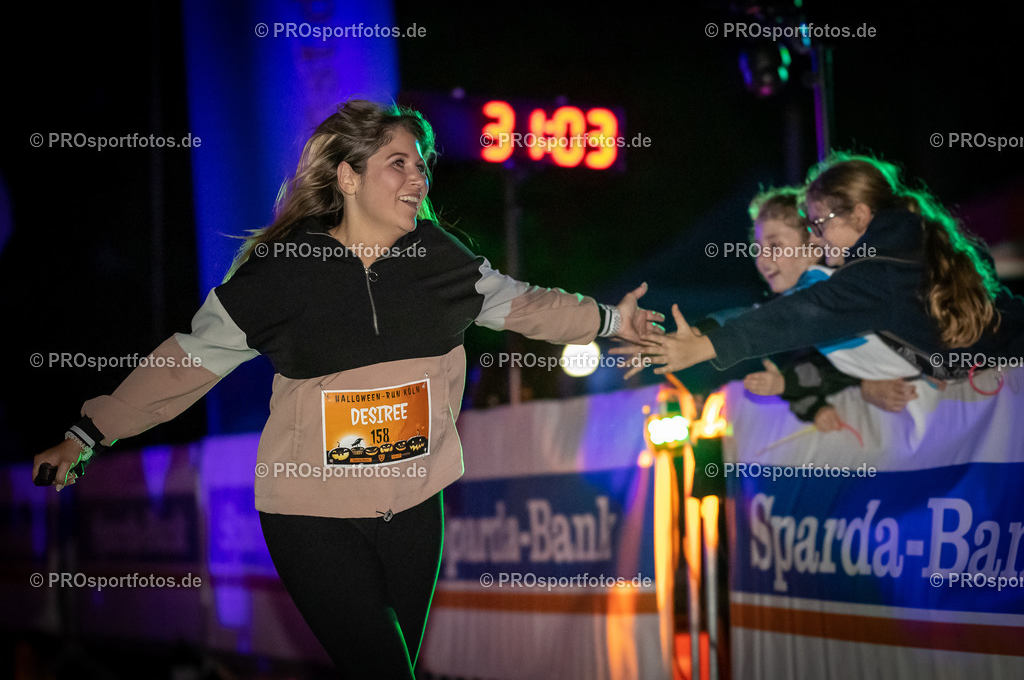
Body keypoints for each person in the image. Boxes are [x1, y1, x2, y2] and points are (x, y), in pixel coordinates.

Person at [32, 99, 664, 678]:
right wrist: (87, 433)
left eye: (422, 165)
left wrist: (612, 320)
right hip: (311, 517)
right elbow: (186, 362)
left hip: (416, 510)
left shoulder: (439, 262)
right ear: (347, 176)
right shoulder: (279, 275)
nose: (419, 178)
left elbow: (529, 307)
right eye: (398, 163)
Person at [624, 154, 1024, 383]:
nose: (816, 238)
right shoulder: (899, 256)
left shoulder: (879, 272)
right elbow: (777, 316)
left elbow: (805, 313)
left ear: (862, 214)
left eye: (819, 223)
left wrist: (707, 345)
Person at [732, 186, 921, 430]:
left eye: (775, 246)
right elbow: (830, 368)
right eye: (757, 249)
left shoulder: (833, 288)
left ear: (811, 246)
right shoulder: (808, 303)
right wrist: (811, 402)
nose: (762, 260)